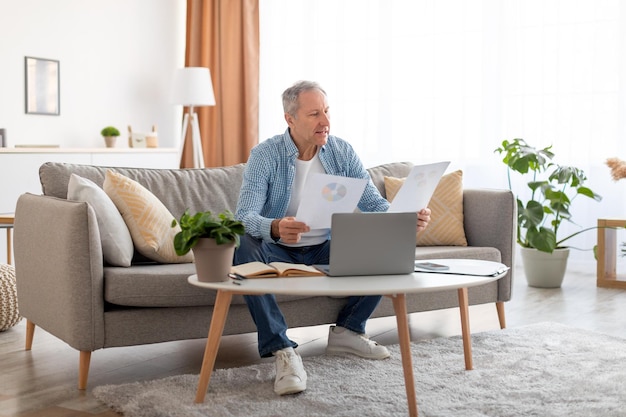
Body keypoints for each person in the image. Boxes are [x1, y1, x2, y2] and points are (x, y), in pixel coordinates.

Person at [234, 80, 431, 396]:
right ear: (290, 119)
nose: (325, 121)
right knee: (243, 247)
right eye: (314, 114)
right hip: (277, 249)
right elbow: (244, 217)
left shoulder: (341, 151)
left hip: (324, 247)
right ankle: (282, 350)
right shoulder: (265, 155)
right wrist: (274, 227)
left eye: (326, 111)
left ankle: (348, 331)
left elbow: (371, 202)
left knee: (381, 243)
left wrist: (402, 218)